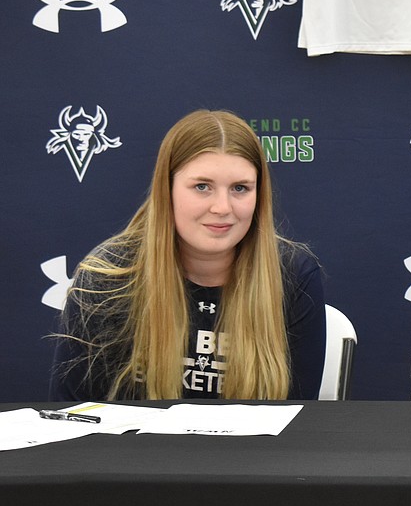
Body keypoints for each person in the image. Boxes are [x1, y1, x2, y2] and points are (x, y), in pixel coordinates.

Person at [50, 110, 325, 401]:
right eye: (202, 187)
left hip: (251, 449)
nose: (222, 207)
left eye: (240, 188)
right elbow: (69, 415)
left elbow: (298, 420)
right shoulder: (105, 278)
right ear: (166, 190)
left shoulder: (294, 277)